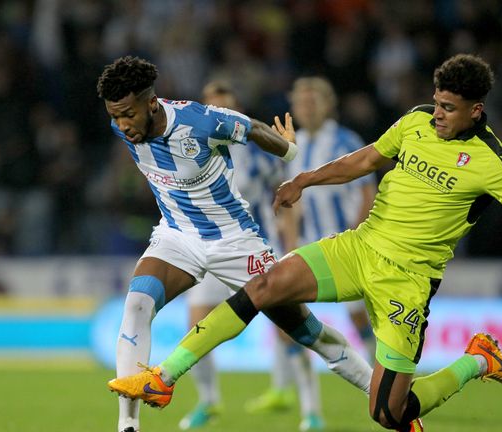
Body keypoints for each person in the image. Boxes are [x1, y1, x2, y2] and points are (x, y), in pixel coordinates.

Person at [108, 54, 502, 432]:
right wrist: (303, 179)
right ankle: (163, 378)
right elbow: (364, 161)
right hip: (358, 247)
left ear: (476, 111)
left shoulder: (495, 163)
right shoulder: (417, 122)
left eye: (449, 108)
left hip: (407, 279)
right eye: (436, 103)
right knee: (264, 286)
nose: (437, 113)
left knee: (387, 413)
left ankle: (477, 360)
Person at [98, 56, 374, 432]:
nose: (122, 125)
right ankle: (128, 426)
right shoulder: (124, 128)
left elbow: (256, 128)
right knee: (137, 305)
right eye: (115, 116)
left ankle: (386, 396)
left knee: (305, 331)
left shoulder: (200, 121)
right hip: (176, 235)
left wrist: (288, 151)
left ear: (150, 103)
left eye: (128, 114)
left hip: (235, 242)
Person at [179, 81, 325, 431]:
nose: (220, 113)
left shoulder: (258, 152)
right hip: (211, 251)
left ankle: (311, 410)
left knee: (290, 329)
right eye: (214, 107)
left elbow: (287, 199)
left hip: (253, 250)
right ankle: (209, 401)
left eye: (226, 106)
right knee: (195, 330)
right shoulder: (189, 148)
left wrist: (290, 245)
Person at [245, 76, 379, 426]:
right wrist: (289, 246)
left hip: (348, 246)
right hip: (307, 248)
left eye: (313, 100)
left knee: (359, 317)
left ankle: (384, 384)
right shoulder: (294, 145)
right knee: (290, 321)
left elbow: (367, 193)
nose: (306, 107)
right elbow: (289, 201)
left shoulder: (347, 141)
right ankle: (311, 411)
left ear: (328, 103)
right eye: (301, 101)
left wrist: (358, 235)